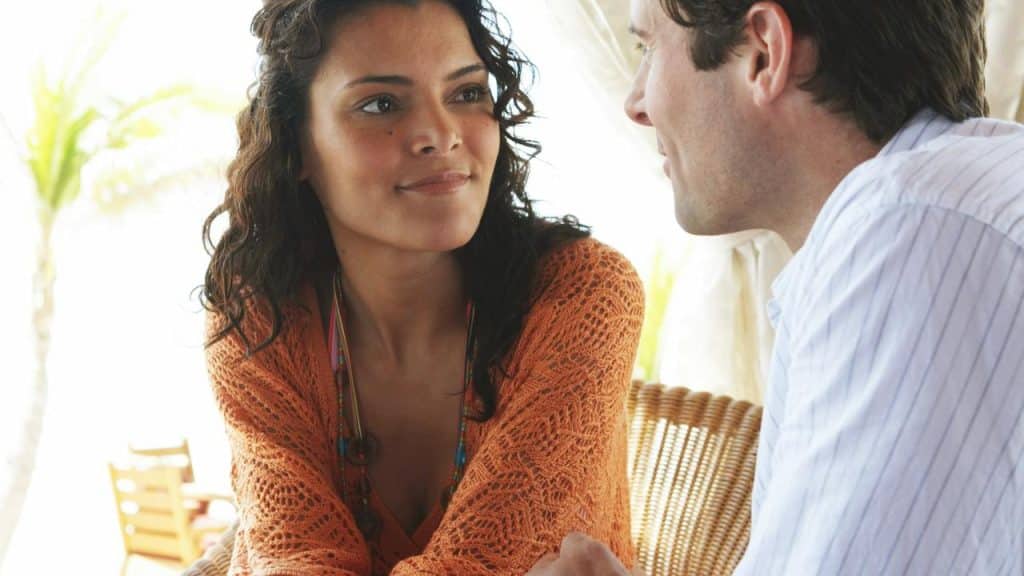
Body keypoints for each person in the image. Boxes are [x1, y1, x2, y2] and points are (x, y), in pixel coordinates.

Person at [530, 0, 1024, 574]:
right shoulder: (947, 201)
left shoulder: (910, 235)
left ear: (763, 52)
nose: (635, 103)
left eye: (648, 49)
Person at [201, 1, 644, 574]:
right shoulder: (261, 321)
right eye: (380, 103)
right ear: (298, 146)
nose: (440, 134)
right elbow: (294, 558)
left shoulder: (583, 297)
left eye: (465, 93)